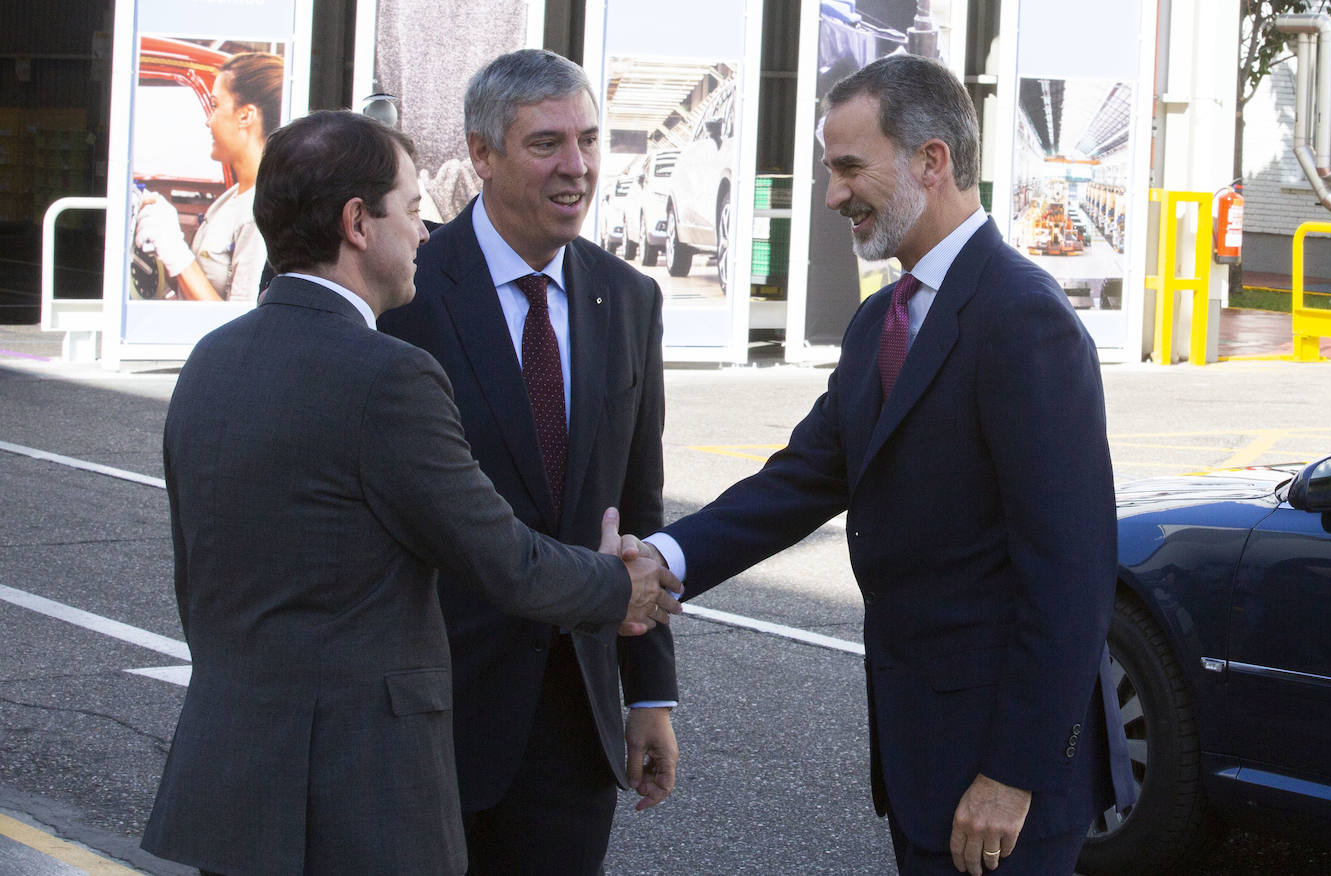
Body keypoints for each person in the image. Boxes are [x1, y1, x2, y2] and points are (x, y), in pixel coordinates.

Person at [139, 109, 683, 876]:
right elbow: (502, 558)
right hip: (355, 794)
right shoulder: (386, 374)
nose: (426, 234)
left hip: (229, 780)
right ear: (358, 223)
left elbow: (197, 577)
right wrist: (617, 584)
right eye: (413, 211)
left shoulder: (211, 360)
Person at [636, 55, 1134, 875]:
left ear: (931, 161)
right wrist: (667, 559)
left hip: (1003, 785)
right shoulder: (881, 321)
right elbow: (800, 480)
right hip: (922, 763)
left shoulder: (1023, 319)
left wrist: (1013, 773)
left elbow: (1072, 575)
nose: (833, 194)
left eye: (848, 167)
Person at [378, 49, 678, 875]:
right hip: (431, 710)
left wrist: (648, 691)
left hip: (574, 723)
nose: (577, 168)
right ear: (480, 154)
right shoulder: (404, 294)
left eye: (588, 140)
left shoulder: (629, 298)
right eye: (547, 144)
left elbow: (637, 505)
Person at [135, 52, 281, 303]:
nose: (208, 121)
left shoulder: (258, 211)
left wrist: (176, 253)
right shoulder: (231, 199)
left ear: (246, 115)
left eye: (214, 106)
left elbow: (239, 320)